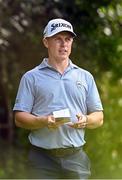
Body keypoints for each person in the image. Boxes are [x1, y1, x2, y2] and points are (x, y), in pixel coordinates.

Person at [13, 18, 104, 179]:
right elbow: (19, 118)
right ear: (46, 42)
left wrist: (86, 120)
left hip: (76, 158)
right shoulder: (31, 77)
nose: (64, 44)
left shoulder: (85, 77)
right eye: (58, 39)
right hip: (42, 159)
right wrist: (43, 121)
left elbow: (99, 117)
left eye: (68, 39)